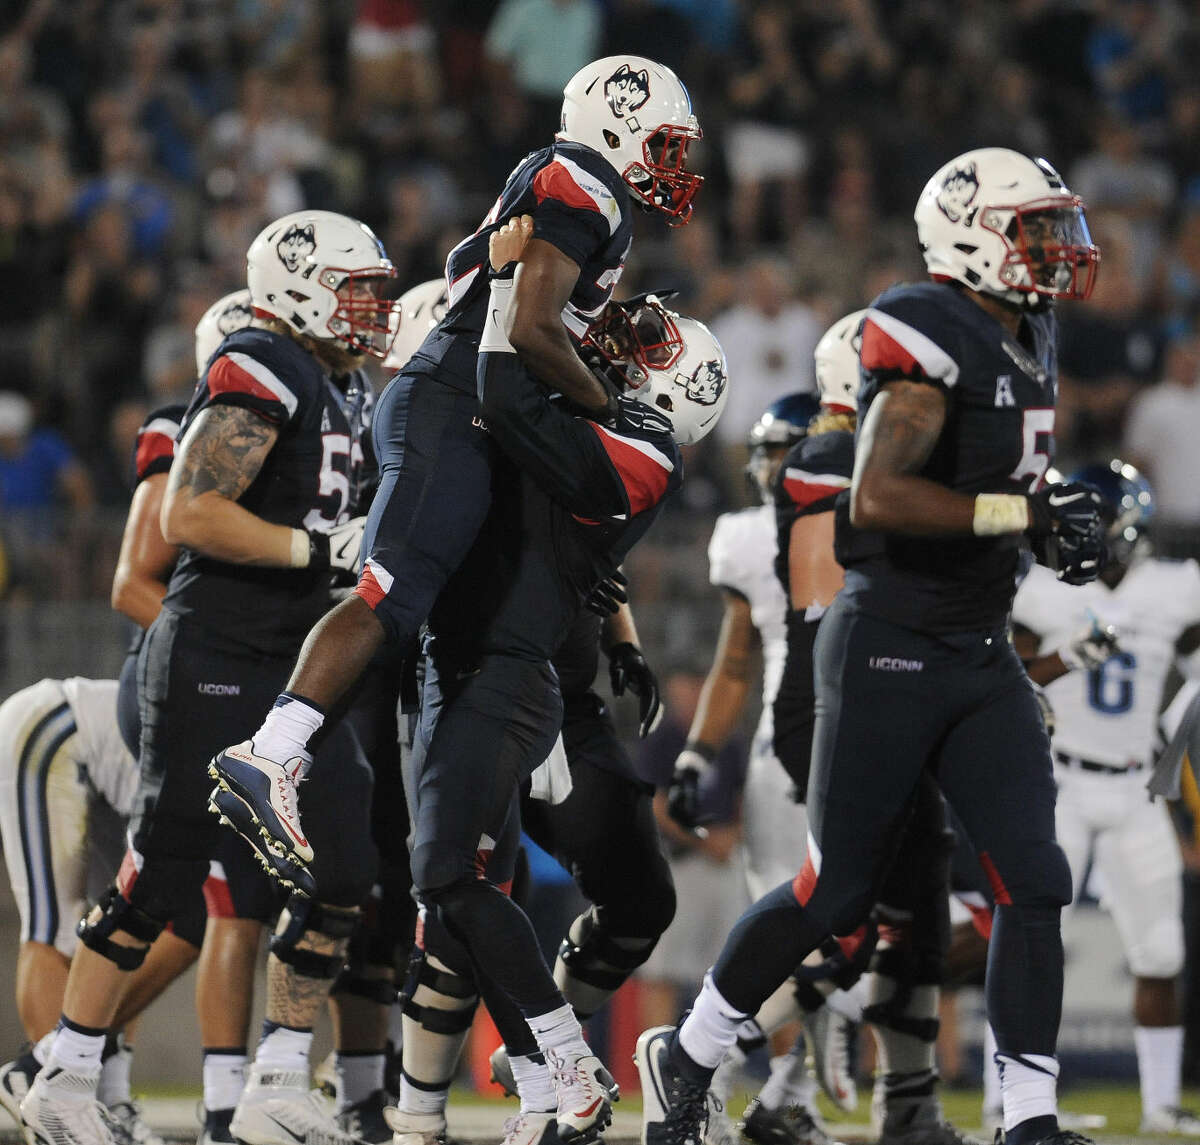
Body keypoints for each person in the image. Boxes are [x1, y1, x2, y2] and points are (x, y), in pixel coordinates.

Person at [635, 146, 1105, 1145]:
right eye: (1035, 228)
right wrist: (1013, 511)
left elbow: (1002, 498)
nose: (1056, 249)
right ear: (973, 232)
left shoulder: (1031, 327)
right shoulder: (927, 325)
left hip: (978, 651)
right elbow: (881, 494)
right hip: (892, 639)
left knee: (1034, 878)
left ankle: (1029, 1118)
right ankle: (691, 1049)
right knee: (835, 891)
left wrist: (1043, 523)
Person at [206, 52, 705, 891]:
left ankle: (301, 752)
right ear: (614, 130)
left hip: (460, 404)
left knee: (441, 596)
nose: (671, 166)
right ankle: (274, 750)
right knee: (391, 591)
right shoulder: (584, 186)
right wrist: (602, 405)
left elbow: (481, 284)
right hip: (453, 406)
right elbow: (536, 329)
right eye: (660, 145)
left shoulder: (568, 189)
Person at [19, 209, 391, 1145]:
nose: (373, 308)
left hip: (295, 668)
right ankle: (61, 1070)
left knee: (345, 865)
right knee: (164, 873)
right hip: (218, 651)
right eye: (356, 288)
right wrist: (319, 547)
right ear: (301, 283)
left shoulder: (342, 384)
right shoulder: (263, 362)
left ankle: (273, 1075)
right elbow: (189, 514)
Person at [386, 220, 725, 1145]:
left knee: (453, 882)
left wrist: (504, 287)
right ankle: (519, 1082)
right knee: (445, 886)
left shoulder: (627, 445)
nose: (623, 332)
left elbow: (501, 389)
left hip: (506, 671)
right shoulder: (600, 428)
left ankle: (546, 1069)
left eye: (646, 346)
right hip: (492, 663)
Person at [1009, 460, 1200, 1136]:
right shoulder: (1044, 591)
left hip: (1137, 783)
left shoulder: (1175, 591)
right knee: (1032, 944)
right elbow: (1001, 677)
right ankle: (1026, 1102)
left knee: (1162, 951)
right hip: (1060, 780)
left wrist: (1178, 745)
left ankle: (1158, 1105)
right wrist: (1067, 659)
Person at [0, 677, 204, 1145]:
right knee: (55, 925)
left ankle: (100, 1099)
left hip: (114, 782)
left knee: (129, 926)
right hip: (55, 729)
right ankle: (42, 1082)